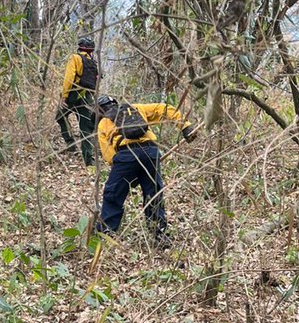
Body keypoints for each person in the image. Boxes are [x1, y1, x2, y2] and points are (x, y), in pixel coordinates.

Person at [95, 93, 196, 244]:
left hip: (125, 156)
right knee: (153, 194)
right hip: (151, 152)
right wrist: (185, 126)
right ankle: (160, 235)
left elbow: (108, 155)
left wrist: (125, 170)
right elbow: (164, 109)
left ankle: (104, 235)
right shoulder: (136, 108)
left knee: (113, 194)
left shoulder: (103, 123)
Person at [56, 35, 99, 167]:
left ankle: (71, 144)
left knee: (60, 117)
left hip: (73, 94)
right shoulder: (93, 62)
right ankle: (89, 161)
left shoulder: (75, 58)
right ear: (90, 50)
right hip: (87, 97)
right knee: (86, 128)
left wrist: (64, 96)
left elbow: (69, 78)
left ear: (79, 47)